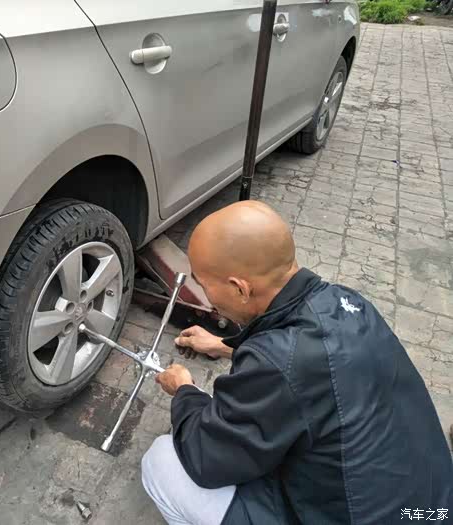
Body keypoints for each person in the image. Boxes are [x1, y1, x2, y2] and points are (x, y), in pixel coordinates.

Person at [142, 201, 452, 525]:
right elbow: (317, 367)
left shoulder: (277, 364)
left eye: (204, 285)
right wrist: (225, 346)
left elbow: (207, 457)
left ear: (240, 288)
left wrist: (185, 391)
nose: (207, 299)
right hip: (430, 503)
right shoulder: (347, 303)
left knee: (161, 461)